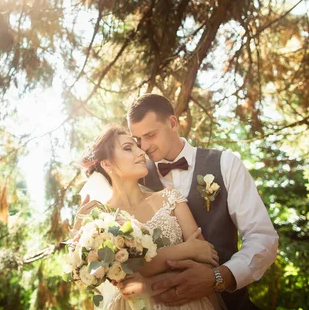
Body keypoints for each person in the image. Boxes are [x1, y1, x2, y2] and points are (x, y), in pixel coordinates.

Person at [119, 94, 279, 309]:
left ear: (173, 123)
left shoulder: (225, 164)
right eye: (138, 139)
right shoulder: (135, 179)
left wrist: (218, 277)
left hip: (229, 304)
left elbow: (263, 238)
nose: (144, 146)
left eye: (150, 135)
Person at [76, 125, 225, 310]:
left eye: (138, 147)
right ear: (106, 164)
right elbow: (124, 274)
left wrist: (151, 279)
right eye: (128, 148)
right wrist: (186, 250)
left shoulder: (170, 198)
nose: (141, 152)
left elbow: (205, 256)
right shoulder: (101, 219)